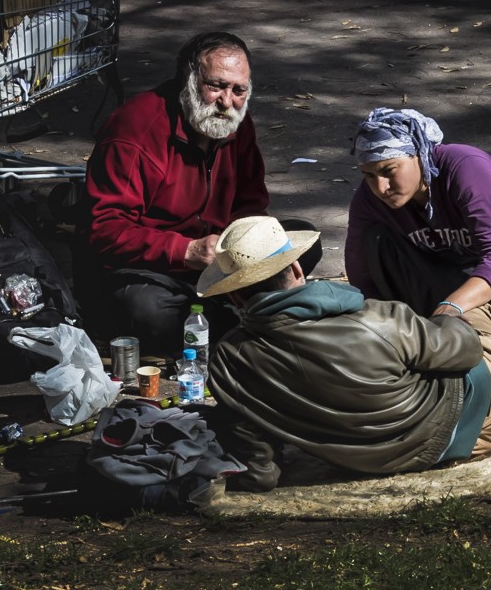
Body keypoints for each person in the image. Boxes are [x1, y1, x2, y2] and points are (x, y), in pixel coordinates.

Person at [197, 216, 491, 491]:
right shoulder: (373, 321)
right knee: (485, 319)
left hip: (395, 458)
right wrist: (446, 313)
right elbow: (463, 352)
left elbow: (259, 467)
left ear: (235, 297)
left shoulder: (227, 363)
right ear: (298, 275)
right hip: (477, 417)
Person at [82, 31, 319, 354]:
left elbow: (251, 204)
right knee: (148, 311)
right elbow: (106, 230)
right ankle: (247, 321)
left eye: (239, 90)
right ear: (188, 81)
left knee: (304, 240)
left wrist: (251, 248)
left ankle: (233, 316)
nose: (226, 102)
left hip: (219, 259)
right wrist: (186, 250)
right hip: (152, 269)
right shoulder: (134, 129)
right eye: (216, 86)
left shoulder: (237, 123)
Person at [344, 106, 491, 330]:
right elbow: (361, 272)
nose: (380, 187)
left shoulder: (466, 167)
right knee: (376, 239)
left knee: (464, 324)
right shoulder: (369, 197)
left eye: (389, 171)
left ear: (420, 154)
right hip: (460, 270)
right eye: (368, 175)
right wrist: (372, 324)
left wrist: (450, 308)